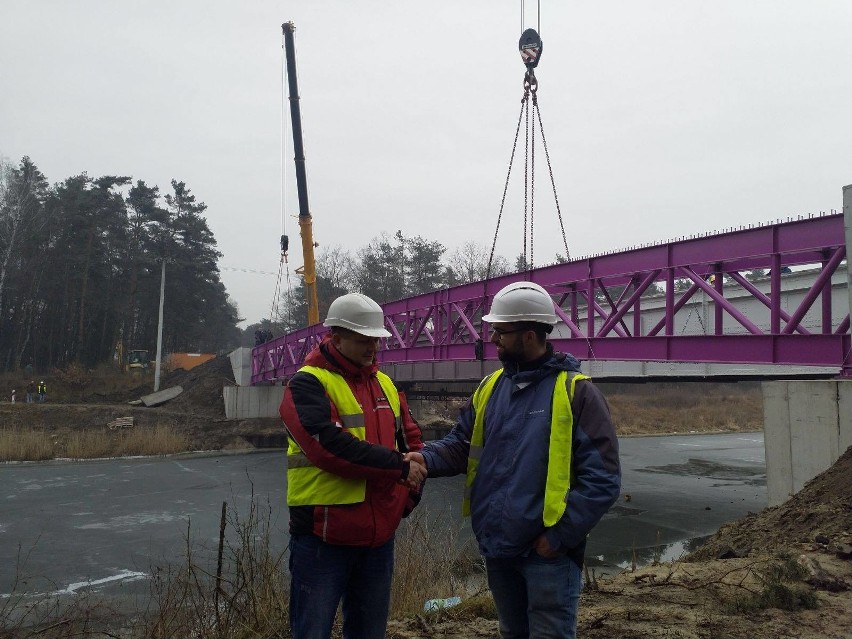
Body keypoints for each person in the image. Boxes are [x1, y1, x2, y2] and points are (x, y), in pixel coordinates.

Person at [405, 281, 621, 639]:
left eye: (501, 332)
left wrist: (559, 537)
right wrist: (424, 458)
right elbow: (462, 444)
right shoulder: (490, 388)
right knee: (512, 632)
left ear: (531, 335)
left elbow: (604, 479)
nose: (493, 338)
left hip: (548, 554)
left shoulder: (577, 393)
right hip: (498, 547)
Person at [279, 292, 427, 639]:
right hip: (322, 536)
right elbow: (328, 447)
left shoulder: (386, 384)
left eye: (375, 340)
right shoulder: (307, 383)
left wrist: (404, 502)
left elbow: (412, 443)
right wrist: (399, 469)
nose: (372, 348)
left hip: (377, 536)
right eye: (363, 340)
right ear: (336, 337)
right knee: (311, 631)